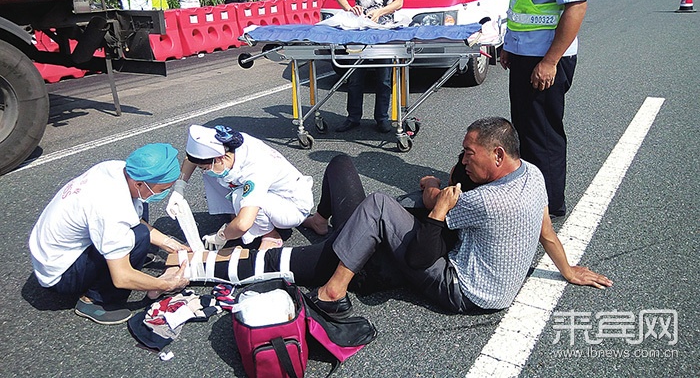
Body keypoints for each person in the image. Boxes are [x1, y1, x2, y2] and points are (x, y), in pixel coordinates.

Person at [203, 118, 612, 318]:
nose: (464, 160)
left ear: (498, 156)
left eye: (470, 154)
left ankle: (330, 290)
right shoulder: (534, 174)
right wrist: (567, 269)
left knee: (374, 202)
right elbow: (546, 231)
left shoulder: (486, 202)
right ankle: (324, 227)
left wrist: (436, 198)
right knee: (350, 181)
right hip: (484, 285)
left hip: (460, 289)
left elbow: (420, 255)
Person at [500, 0, 593, 218]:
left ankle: (549, 206)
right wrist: (513, 45)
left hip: (546, 60)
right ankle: (531, 199)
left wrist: (550, 61)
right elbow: (528, 2)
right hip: (529, 55)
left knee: (543, 137)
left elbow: (575, 7)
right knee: (525, 131)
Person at [28, 144, 190, 325]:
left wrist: (172, 245)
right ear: (138, 183)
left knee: (141, 203)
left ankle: (131, 253)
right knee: (140, 235)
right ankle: (95, 300)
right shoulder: (112, 208)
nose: (164, 194)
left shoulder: (118, 169)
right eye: (162, 190)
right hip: (59, 275)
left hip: (49, 251)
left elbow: (133, 215)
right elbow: (121, 277)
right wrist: (166, 284)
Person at [166, 125, 314, 250]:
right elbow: (192, 158)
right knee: (213, 174)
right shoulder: (224, 144)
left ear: (220, 158)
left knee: (239, 196)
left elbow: (243, 224)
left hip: (292, 205)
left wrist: (221, 236)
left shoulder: (256, 168)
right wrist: (179, 188)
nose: (203, 170)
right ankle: (235, 216)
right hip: (277, 195)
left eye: (204, 167)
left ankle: (269, 234)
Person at [334, 0, 405, 134]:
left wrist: (380, 12)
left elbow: (399, 1)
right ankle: (353, 116)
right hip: (360, 29)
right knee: (355, 76)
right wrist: (350, 7)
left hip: (383, 28)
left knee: (383, 77)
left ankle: (382, 118)